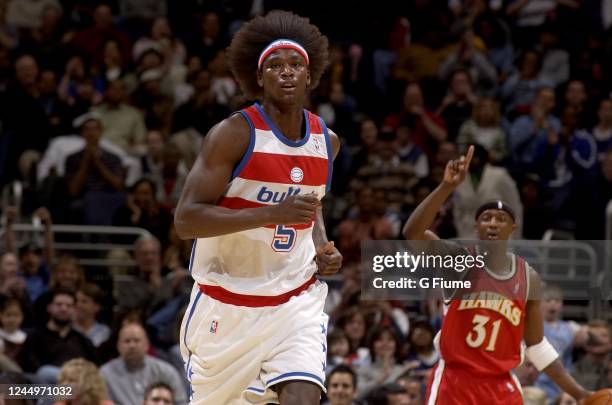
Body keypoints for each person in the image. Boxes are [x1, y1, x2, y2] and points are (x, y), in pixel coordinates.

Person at [174, 11, 342, 404]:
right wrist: (270, 214)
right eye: (275, 66)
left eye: (296, 65)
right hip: (225, 302)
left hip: (294, 299)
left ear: (309, 74)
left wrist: (320, 244)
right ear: (259, 77)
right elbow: (186, 220)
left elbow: (313, 205)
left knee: (303, 395)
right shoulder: (233, 134)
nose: (287, 73)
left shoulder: (326, 141)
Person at [402, 145, 590, 404]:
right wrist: (446, 186)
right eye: (486, 218)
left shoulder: (528, 277)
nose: (493, 223)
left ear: (512, 228)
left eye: (500, 219)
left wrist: (580, 393)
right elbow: (413, 234)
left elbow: (537, 346)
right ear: (476, 227)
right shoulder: (458, 260)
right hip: (455, 381)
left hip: (501, 384)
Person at [99, 322, 186, 404]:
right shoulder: (105, 374)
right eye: (127, 341)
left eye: (136, 340)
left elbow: (181, 402)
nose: (132, 345)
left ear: (147, 345)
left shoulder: (166, 371)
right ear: (118, 346)